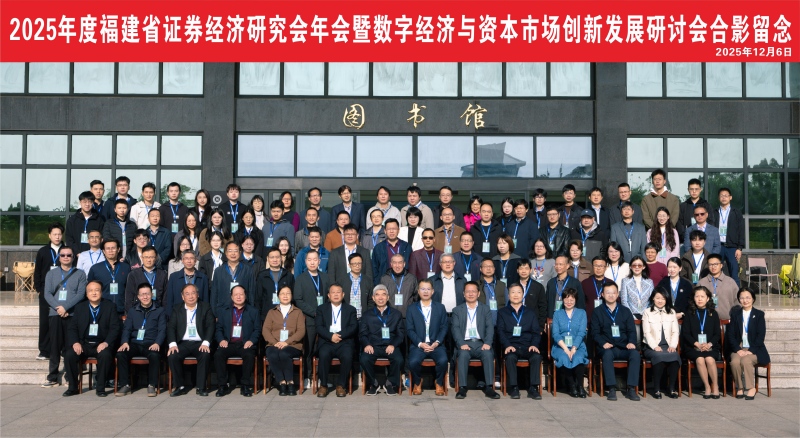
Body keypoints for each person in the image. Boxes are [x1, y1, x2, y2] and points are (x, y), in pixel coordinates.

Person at [62, 281, 120, 397]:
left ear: (101, 292)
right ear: (86, 294)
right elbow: (72, 328)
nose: (94, 293)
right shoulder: (80, 307)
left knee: (105, 355)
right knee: (69, 355)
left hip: (101, 344)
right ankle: (73, 387)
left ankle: (100, 388)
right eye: (90, 291)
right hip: (84, 344)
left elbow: (115, 328)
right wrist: (75, 342)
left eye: (97, 290)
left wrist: (106, 343)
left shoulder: (110, 306)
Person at [41, 246, 87, 388]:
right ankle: (52, 376)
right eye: (63, 255)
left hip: (72, 314)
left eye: (69, 255)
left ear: (73, 257)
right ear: (59, 257)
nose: (66, 257)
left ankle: (70, 376)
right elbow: (47, 294)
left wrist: (66, 307)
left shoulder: (80, 274)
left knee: (70, 346)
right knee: (54, 346)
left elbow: (80, 294)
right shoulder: (51, 274)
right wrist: (59, 308)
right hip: (55, 314)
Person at [590, 282, 641, 401]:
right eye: (608, 293)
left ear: (617, 294)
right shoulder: (597, 311)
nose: (611, 295)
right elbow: (595, 332)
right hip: (607, 347)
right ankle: (611, 388)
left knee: (635, 354)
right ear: (602, 295)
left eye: (613, 292)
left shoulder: (625, 311)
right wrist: (603, 343)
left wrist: (631, 342)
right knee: (607, 355)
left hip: (624, 346)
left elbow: (631, 330)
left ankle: (631, 388)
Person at [116, 283, 167, 397]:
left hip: (151, 343)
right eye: (142, 294)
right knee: (121, 354)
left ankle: (152, 385)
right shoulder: (132, 311)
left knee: (154, 355)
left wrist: (157, 343)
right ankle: (125, 385)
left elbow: (162, 330)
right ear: (138, 297)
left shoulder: (160, 310)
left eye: (147, 294)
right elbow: (127, 329)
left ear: (152, 295)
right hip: (135, 343)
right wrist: (124, 342)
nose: (145, 297)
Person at [451, 282, 500, 399]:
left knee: (488, 354)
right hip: (465, 343)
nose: (470, 294)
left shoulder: (485, 309)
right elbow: (455, 329)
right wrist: (461, 343)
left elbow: (489, 328)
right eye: (468, 291)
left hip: (481, 343)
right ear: (464, 294)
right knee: (463, 355)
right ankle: (462, 388)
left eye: (473, 291)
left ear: (478, 294)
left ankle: (489, 387)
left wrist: (487, 343)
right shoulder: (457, 310)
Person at [166, 283, 215, 397]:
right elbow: (171, 327)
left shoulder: (205, 307)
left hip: (200, 343)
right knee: (173, 355)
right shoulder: (177, 308)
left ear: (198, 294)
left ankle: (201, 387)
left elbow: (211, 326)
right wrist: (172, 344)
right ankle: (180, 387)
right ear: (183, 297)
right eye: (187, 294)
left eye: (193, 293)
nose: (191, 296)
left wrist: (206, 343)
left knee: (205, 354)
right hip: (183, 343)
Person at [497, 283, 543, 399]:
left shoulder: (530, 313)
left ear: (523, 295)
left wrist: (534, 344)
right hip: (511, 345)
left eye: (518, 292)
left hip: (527, 346)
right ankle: (514, 387)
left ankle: (533, 388)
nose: (516, 295)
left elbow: (536, 332)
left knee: (536, 357)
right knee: (510, 357)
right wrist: (507, 345)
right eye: (513, 292)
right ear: (508, 295)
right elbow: (500, 332)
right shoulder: (502, 312)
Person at [213, 285, 259, 397]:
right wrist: (221, 340)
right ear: (231, 297)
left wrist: (251, 341)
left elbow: (257, 329)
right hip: (229, 343)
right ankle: (222, 385)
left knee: (249, 355)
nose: (238, 297)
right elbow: (218, 329)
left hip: (245, 343)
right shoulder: (223, 311)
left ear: (245, 296)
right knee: (218, 355)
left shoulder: (253, 311)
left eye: (241, 294)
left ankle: (245, 386)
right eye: (236, 295)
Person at [359, 285, 405, 396]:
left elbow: (400, 334)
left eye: (383, 295)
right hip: (373, 346)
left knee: (398, 359)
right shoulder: (367, 315)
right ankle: (373, 383)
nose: (380, 298)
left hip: (389, 345)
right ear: (373, 298)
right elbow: (362, 334)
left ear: (388, 297)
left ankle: (390, 383)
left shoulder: (396, 314)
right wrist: (367, 344)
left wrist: (393, 345)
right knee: (364, 359)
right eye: (377, 295)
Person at [406, 280, 449, 396]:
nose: (425, 291)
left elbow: (444, 327)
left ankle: (439, 383)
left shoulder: (440, 307)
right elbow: (409, 329)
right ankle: (417, 382)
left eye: (428, 289)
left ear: (433, 291)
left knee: (443, 360)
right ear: (418, 291)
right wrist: (420, 344)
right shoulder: (412, 308)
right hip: (419, 345)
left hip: (436, 345)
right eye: (423, 289)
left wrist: (437, 342)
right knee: (413, 361)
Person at [314, 284, 358, 397]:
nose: (336, 294)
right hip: (327, 341)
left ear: (343, 294)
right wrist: (330, 336)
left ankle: (341, 385)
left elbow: (353, 327)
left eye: (338, 292)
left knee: (347, 356)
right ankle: (323, 385)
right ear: (328, 295)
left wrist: (339, 336)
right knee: (323, 354)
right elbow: (319, 327)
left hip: (344, 341)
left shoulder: (351, 309)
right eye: (333, 292)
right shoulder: (321, 309)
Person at [294, 250, 330, 387]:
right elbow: (298, 299)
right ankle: (307, 376)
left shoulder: (325, 277)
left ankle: (321, 377)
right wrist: (313, 312)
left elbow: (329, 297)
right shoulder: (300, 279)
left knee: (323, 349)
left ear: (319, 261)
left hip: (324, 320)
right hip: (309, 319)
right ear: (305, 262)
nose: (312, 262)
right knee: (308, 350)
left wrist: (323, 312)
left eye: (315, 259)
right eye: (309, 260)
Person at [726, 287, 769, 400]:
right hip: (739, 347)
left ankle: (751, 388)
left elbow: (760, 336)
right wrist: (738, 349)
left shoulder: (759, 314)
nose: (745, 300)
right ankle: (740, 387)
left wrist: (751, 350)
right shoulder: (735, 315)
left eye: (748, 297)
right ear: (739, 299)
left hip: (754, 348)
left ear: (753, 299)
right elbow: (730, 335)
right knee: (735, 362)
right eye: (742, 298)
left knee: (746, 360)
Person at [680, 286, 722, 399]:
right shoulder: (689, 313)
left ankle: (715, 386)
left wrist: (709, 344)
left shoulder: (713, 313)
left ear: (707, 298)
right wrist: (696, 343)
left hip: (710, 346)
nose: (699, 299)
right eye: (697, 296)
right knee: (699, 359)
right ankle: (707, 386)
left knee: (709, 359)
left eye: (702, 296)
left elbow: (717, 334)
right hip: (693, 347)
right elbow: (686, 333)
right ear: (693, 298)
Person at [263, 286, 305, 396]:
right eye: (282, 293)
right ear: (278, 296)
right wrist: (274, 342)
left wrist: (287, 342)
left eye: (288, 293)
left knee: (284, 353)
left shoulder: (298, 312)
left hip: (293, 345)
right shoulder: (272, 312)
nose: (285, 296)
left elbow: (301, 331)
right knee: (272, 354)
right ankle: (281, 382)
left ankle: (290, 382)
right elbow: (265, 330)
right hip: (274, 344)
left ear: (292, 296)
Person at [641, 287, 682, 399]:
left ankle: (671, 388)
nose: (660, 301)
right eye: (658, 298)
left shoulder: (671, 312)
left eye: (663, 298)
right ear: (653, 298)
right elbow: (646, 333)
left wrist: (673, 345)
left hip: (668, 346)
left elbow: (675, 331)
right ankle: (657, 389)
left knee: (675, 356)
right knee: (658, 356)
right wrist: (654, 346)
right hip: (651, 347)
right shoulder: (647, 312)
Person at [34, 223, 65, 360]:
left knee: (62, 321)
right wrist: (39, 290)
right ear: (49, 235)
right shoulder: (43, 251)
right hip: (46, 292)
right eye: (54, 234)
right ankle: (44, 351)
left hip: (63, 292)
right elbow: (37, 272)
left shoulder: (66, 250)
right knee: (45, 322)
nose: (57, 237)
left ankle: (62, 349)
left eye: (59, 234)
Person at [551, 288, 589, 398]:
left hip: (578, 346)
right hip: (560, 346)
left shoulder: (582, 313)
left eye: (572, 299)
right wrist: (566, 349)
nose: (569, 302)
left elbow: (581, 333)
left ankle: (580, 386)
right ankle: (572, 386)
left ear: (576, 300)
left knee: (578, 357)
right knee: (564, 357)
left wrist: (573, 348)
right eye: (566, 299)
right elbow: (556, 334)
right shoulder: (557, 314)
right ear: (562, 300)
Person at [710, 187, 744, 287]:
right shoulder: (714, 212)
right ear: (718, 198)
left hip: (732, 247)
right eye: (721, 196)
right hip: (718, 246)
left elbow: (741, 230)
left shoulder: (736, 212)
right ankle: (715, 292)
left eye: (726, 195)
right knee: (715, 271)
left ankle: (736, 294)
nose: (724, 198)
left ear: (730, 197)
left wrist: (740, 248)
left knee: (734, 273)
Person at [210, 242, 255, 317]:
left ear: (240, 253)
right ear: (226, 253)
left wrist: (251, 312)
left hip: (243, 311)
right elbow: (214, 293)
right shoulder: (218, 271)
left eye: (235, 251)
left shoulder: (248, 270)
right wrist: (215, 314)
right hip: (223, 310)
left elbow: (251, 292)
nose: (233, 253)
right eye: (230, 251)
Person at [88, 238, 130, 315]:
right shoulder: (95, 268)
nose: (110, 251)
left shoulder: (126, 267)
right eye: (108, 248)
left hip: (121, 309)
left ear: (118, 249)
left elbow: (130, 289)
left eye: (113, 248)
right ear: (103, 251)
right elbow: (89, 289)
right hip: (102, 309)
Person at [165, 250, 210, 319]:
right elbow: (170, 299)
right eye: (186, 258)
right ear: (182, 260)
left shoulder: (203, 277)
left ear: (195, 261)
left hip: (198, 315)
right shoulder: (174, 277)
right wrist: (170, 316)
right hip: (178, 315)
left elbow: (205, 299)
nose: (189, 261)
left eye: (191, 258)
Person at [256, 247, 296, 321]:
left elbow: (293, 296)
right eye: (272, 257)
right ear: (267, 259)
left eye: (277, 257)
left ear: (281, 258)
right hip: (266, 315)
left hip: (285, 314)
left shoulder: (288, 275)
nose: (275, 260)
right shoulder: (262, 276)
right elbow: (258, 298)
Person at [124, 246, 168, 311]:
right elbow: (129, 297)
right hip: (138, 311)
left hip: (158, 311)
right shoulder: (133, 275)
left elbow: (166, 298)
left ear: (156, 258)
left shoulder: (163, 274)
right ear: (142, 258)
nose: (149, 260)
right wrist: (130, 313)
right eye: (146, 257)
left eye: (151, 257)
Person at [697, 254, 738, 320]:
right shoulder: (702, 283)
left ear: (721, 265)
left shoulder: (730, 282)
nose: (713, 267)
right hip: (707, 320)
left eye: (716, 264)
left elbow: (737, 301)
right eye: (710, 265)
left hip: (727, 320)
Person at [65, 191, 105, 255]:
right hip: (76, 255)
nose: (87, 204)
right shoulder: (72, 220)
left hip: (94, 254)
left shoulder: (99, 220)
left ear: (93, 203)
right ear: (80, 202)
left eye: (90, 202)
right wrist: (77, 253)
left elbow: (102, 237)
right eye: (84, 202)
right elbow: (69, 239)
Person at [517, 259, 547, 333]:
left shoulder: (538, 287)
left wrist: (540, 326)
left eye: (526, 268)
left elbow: (543, 307)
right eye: (521, 268)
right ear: (517, 270)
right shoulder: (513, 286)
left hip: (533, 323)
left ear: (531, 270)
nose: (523, 271)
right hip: (517, 321)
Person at [582, 256, 611, 323]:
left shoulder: (610, 283)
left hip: (607, 318)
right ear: (592, 267)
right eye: (596, 266)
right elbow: (581, 303)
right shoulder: (585, 283)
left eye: (601, 266)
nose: (598, 268)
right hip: (589, 318)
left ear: (606, 267)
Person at [478, 259, 506, 325]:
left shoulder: (502, 285)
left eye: (491, 266)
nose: (488, 268)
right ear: (480, 269)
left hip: (499, 322)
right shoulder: (476, 285)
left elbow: (507, 303)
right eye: (485, 266)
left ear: (494, 269)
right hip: (481, 323)